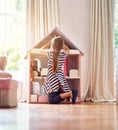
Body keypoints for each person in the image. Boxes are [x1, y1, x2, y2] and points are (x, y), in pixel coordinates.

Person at [41, 36, 77, 104]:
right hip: (59, 77)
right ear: (61, 45)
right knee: (55, 94)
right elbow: (68, 49)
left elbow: (42, 49)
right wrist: (62, 45)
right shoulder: (63, 54)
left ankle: (70, 93)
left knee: (52, 100)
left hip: (52, 77)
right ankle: (69, 94)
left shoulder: (50, 53)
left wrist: (48, 43)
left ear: (52, 45)